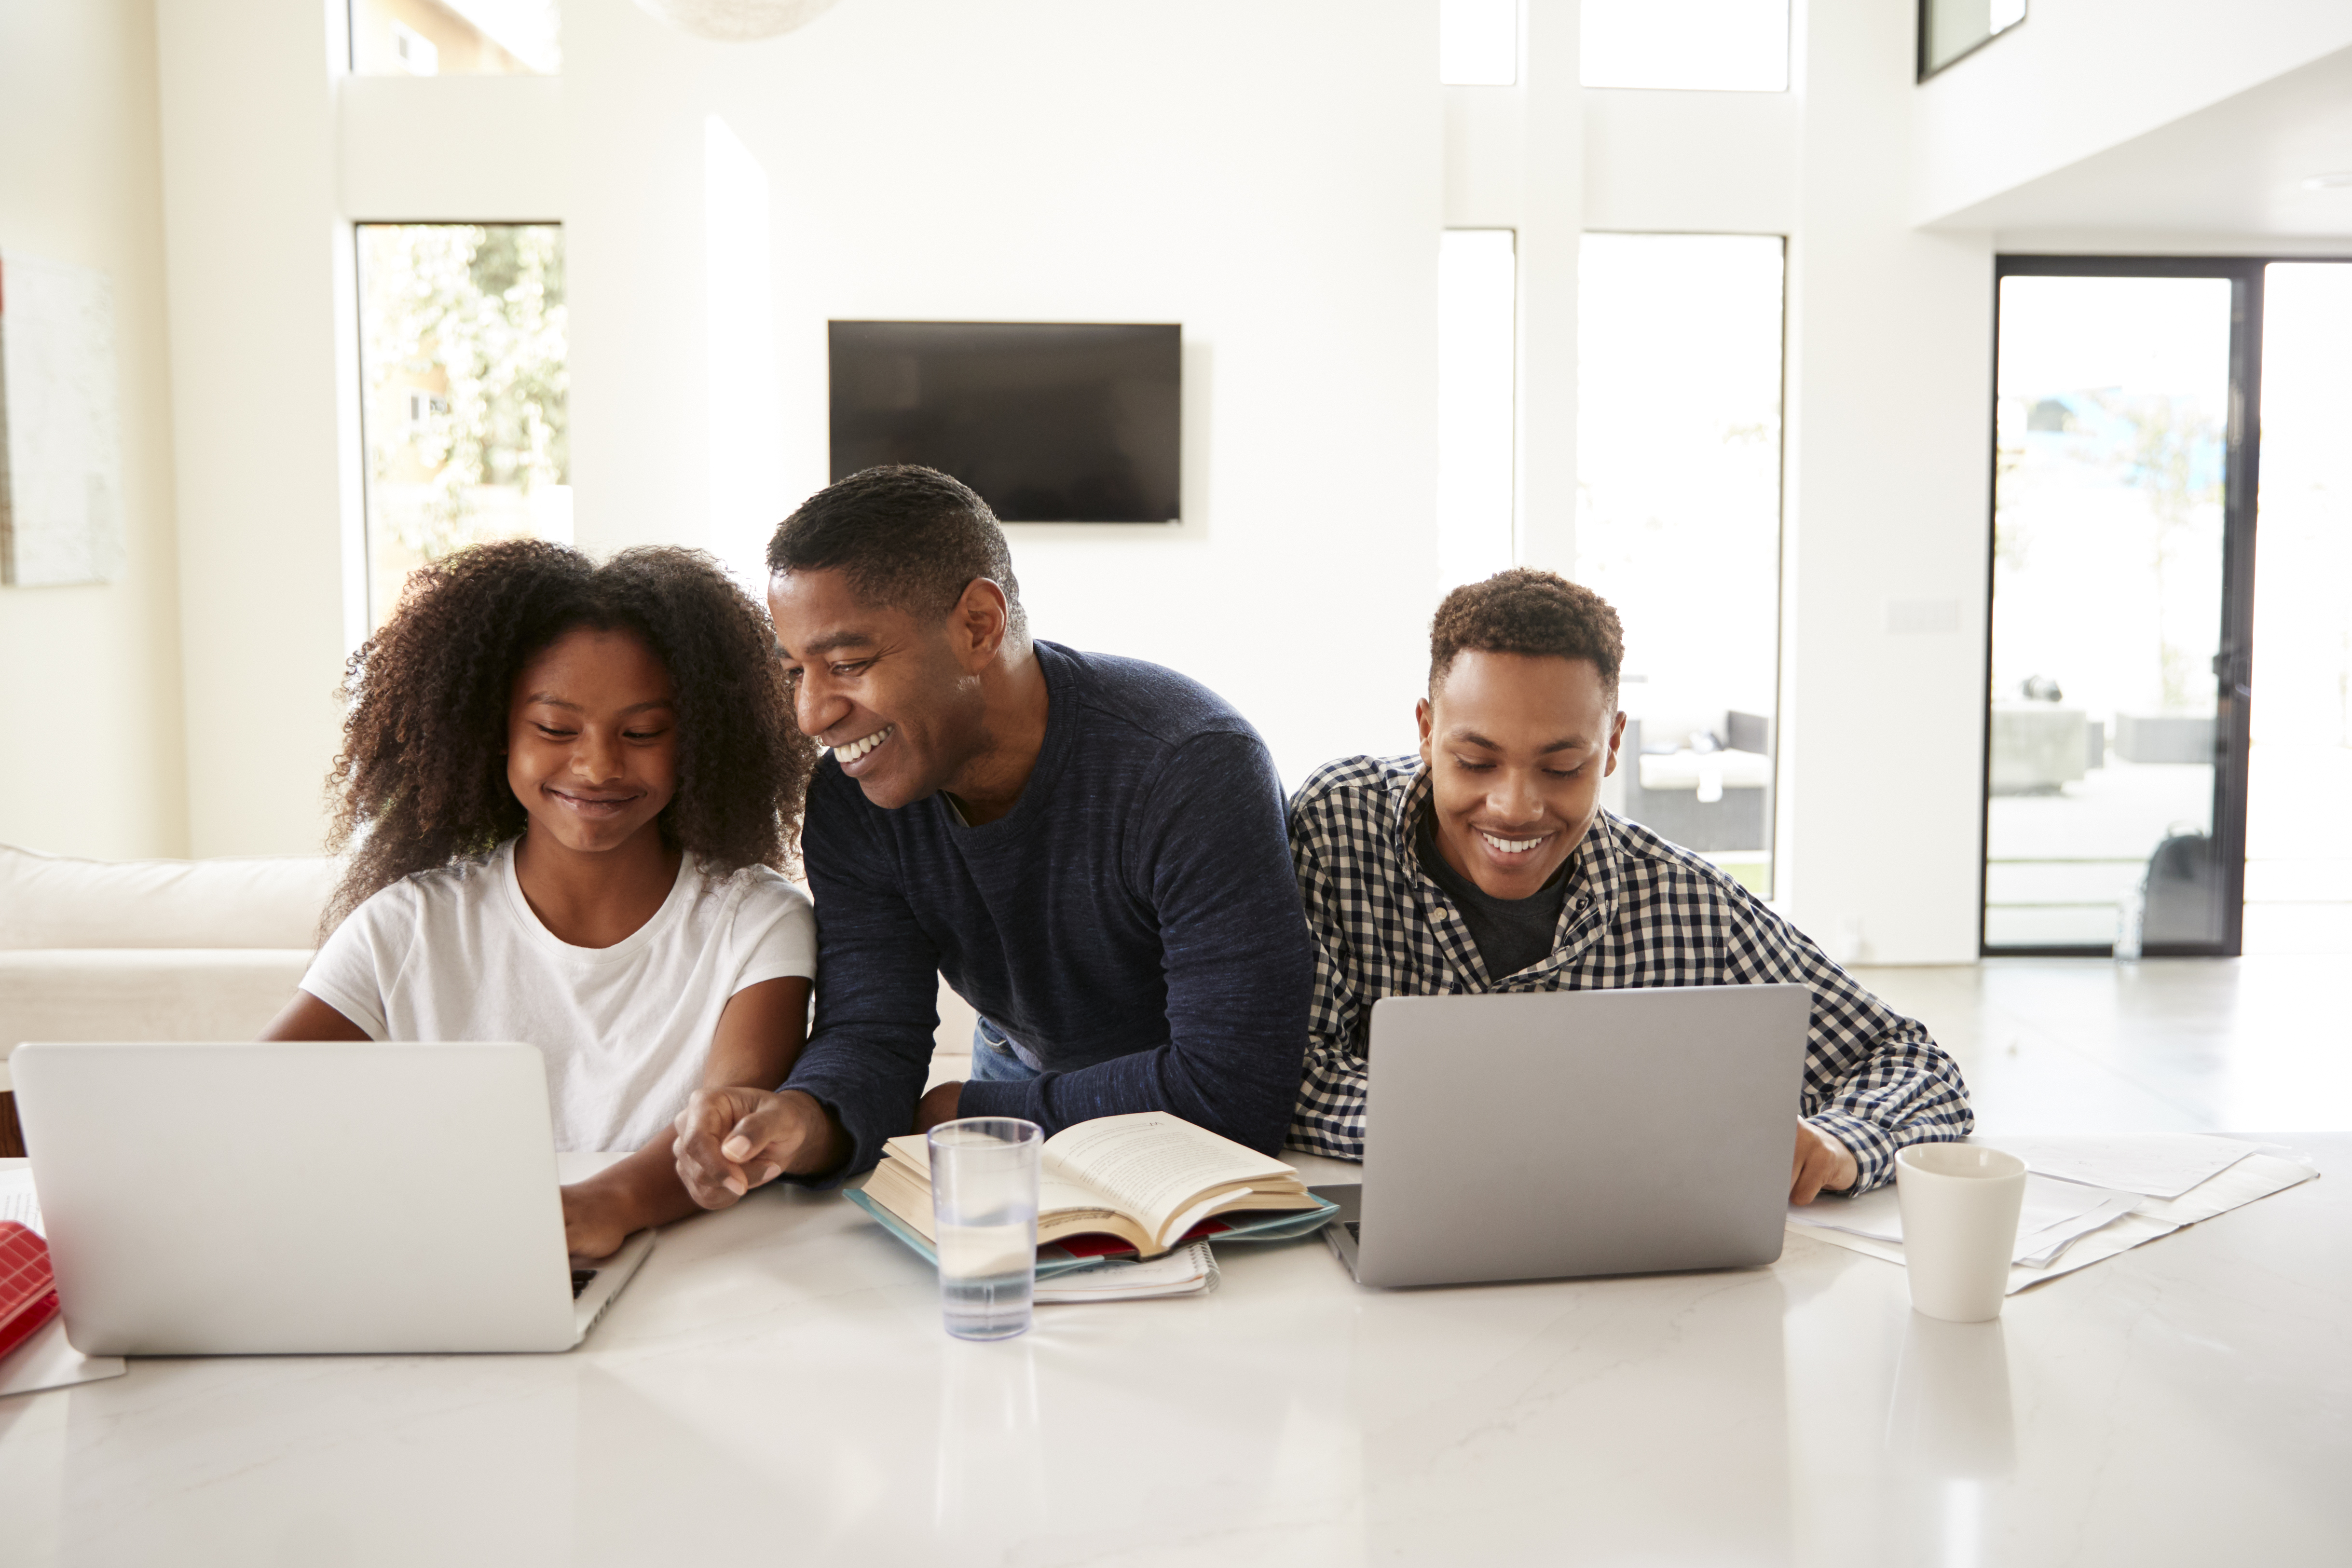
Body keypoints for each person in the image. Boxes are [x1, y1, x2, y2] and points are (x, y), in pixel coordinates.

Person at [670, 465, 1314, 1205]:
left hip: (1166, 1115)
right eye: (795, 672)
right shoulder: (855, 801)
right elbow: (873, 1034)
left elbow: (1233, 1087)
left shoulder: (1188, 765)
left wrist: (967, 1112)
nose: (812, 715)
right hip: (1019, 1076)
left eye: (847, 664)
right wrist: (804, 1116)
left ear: (979, 625)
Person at [1285, 568, 1972, 1201]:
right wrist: (1549, 1128)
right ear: (1427, 732)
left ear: (1612, 746)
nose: (1516, 806)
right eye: (1475, 761)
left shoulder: (1685, 904)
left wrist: (1838, 1142)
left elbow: (1913, 1065)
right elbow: (1288, 1073)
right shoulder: (1337, 828)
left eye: (1561, 769)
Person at [261, 541, 820, 1259]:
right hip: (457, 1264)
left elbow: (729, 1121)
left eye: (643, 733)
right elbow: (249, 1110)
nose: (597, 765)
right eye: (556, 730)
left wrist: (608, 1204)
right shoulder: (407, 930)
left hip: (693, 1279)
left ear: (701, 742)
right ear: (494, 733)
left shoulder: (756, 922)